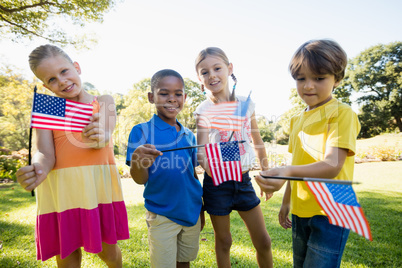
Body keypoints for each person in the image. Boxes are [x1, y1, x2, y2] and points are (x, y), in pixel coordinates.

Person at [16, 44, 129, 267]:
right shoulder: (49, 108)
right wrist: (38, 169)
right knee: (67, 255)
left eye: (64, 71)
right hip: (62, 190)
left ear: (76, 67)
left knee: (109, 252)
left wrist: (101, 135)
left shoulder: (103, 101)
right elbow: (44, 153)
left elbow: (105, 134)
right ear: (44, 85)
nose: (62, 81)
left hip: (97, 188)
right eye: (52, 80)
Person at [255, 39, 361, 268]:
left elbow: (332, 166)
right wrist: (286, 202)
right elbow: (297, 162)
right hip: (301, 209)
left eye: (319, 78)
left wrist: (284, 172)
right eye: (301, 78)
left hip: (333, 209)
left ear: (337, 79)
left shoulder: (342, 113)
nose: (308, 86)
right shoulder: (296, 119)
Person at [194, 47, 273, 268]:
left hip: (244, 181)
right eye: (205, 72)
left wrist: (267, 176)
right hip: (217, 184)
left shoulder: (245, 105)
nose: (212, 75)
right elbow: (200, 150)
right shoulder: (204, 110)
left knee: (264, 241)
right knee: (224, 241)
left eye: (217, 68)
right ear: (199, 78)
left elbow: (257, 142)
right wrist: (213, 167)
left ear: (229, 69)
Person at [126, 69, 204, 268]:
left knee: (184, 261)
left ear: (185, 97)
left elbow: (192, 175)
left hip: (191, 210)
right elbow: (140, 179)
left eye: (178, 94)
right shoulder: (141, 131)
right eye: (164, 93)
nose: (172, 99)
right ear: (151, 97)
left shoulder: (189, 135)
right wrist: (137, 161)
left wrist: (200, 209)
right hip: (162, 214)